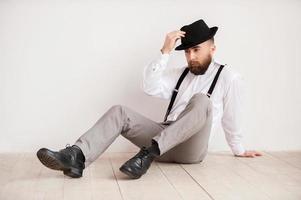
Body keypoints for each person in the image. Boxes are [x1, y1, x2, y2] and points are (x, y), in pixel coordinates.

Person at [37, 19, 262, 180]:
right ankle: (76, 157)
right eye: (186, 52)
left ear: (212, 49)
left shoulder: (229, 77)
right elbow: (150, 86)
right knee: (120, 111)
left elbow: (232, 117)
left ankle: (148, 155)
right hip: (162, 139)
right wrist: (165, 51)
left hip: (191, 149)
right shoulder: (181, 74)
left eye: (196, 50)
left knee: (202, 100)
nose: (191, 57)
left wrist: (239, 149)